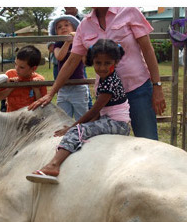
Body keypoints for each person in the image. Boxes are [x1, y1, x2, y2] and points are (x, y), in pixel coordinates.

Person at [28, 7, 166, 140]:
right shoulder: (85, 25)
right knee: (109, 144)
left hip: (137, 89)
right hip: (108, 97)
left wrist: (157, 86)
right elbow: (71, 62)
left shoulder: (129, 11)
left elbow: (148, 50)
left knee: (147, 139)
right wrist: (51, 93)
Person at [26, 39, 130, 184]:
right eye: (98, 63)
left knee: (76, 132)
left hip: (117, 124)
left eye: (107, 63)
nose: (102, 67)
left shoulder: (109, 82)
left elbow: (94, 111)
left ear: (116, 63)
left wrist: (73, 127)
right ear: (92, 62)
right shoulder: (105, 78)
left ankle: (54, 165)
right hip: (109, 120)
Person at [48, 15, 89, 121]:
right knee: (63, 117)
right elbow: (59, 56)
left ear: (74, 29)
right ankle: (66, 136)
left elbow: (86, 59)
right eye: (59, 27)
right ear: (56, 32)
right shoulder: (58, 44)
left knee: (81, 117)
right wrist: (67, 42)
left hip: (78, 86)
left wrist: (77, 40)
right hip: (63, 87)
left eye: (66, 25)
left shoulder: (79, 42)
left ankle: (81, 136)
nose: (63, 28)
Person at [0, 45, 47, 112]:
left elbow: (42, 106)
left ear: (33, 68)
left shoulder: (39, 80)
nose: (17, 69)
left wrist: (36, 90)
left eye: (21, 67)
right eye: (15, 64)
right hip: (12, 117)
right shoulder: (9, 75)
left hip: (30, 117)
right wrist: (11, 87)